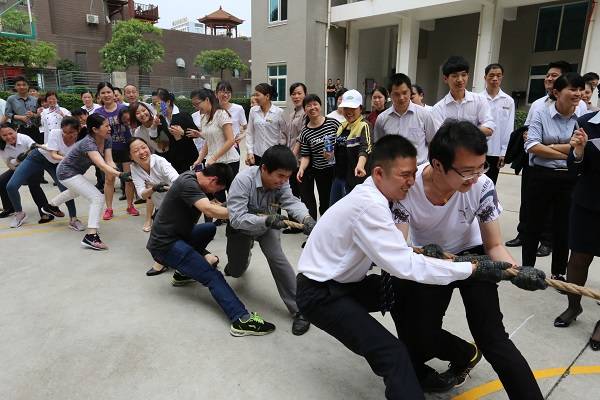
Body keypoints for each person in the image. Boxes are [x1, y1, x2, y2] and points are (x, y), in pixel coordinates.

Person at [296, 134, 507, 400]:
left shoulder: (377, 198)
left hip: (347, 284)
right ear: (379, 173)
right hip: (321, 294)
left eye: (413, 174)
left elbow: (399, 249)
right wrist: (472, 268)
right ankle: (412, 371)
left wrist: (426, 253)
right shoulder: (369, 205)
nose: (412, 182)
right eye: (404, 175)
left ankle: (458, 354)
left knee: (404, 293)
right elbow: (404, 265)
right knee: (391, 354)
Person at [390, 120, 543, 397]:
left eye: (481, 167)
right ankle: (465, 354)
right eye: (466, 171)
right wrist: (423, 253)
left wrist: (517, 271)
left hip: (475, 258)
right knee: (422, 335)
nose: (475, 177)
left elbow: (494, 244)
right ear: (437, 165)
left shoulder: (481, 186)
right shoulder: (407, 187)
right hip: (432, 260)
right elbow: (397, 249)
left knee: (493, 338)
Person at [146, 162, 277, 337]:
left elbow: (213, 207)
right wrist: (242, 213)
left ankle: (182, 273)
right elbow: (209, 210)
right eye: (217, 189)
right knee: (212, 276)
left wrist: (237, 206)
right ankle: (241, 319)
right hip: (165, 245)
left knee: (209, 229)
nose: (214, 193)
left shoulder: (192, 177)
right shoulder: (188, 184)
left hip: (178, 236)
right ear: (213, 179)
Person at [224, 145, 315, 335]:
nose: (283, 181)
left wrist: (305, 218)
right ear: (264, 168)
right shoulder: (242, 181)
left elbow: (290, 201)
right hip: (243, 227)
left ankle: (300, 309)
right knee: (236, 270)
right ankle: (241, 259)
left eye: (287, 177)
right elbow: (237, 218)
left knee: (277, 258)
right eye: (280, 176)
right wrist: (266, 219)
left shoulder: (282, 182)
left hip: (269, 225)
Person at [505, 61, 579, 253]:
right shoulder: (538, 105)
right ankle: (524, 234)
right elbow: (529, 138)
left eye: (554, 76)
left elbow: (577, 147)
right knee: (529, 205)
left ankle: (546, 241)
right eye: (547, 75)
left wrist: (550, 147)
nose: (548, 79)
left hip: (563, 172)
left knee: (555, 212)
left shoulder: (578, 110)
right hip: (535, 166)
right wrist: (563, 150)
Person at [523, 72, 585, 282]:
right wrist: (568, 150)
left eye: (579, 89)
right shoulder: (541, 113)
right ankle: (527, 270)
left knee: (563, 227)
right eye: (572, 89)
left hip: (570, 178)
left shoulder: (582, 118)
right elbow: (531, 145)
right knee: (534, 223)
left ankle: (558, 272)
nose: (577, 93)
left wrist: (549, 147)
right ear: (557, 92)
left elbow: (583, 149)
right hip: (541, 176)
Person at [46, 113, 129, 250]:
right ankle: (91, 236)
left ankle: (51, 206)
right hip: (65, 172)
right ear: (95, 129)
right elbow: (101, 164)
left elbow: (109, 161)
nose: (110, 128)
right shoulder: (88, 142)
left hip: (75, 172)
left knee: (75, 191)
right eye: (106, 126)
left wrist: (118, 172)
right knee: (96, 197)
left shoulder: (107, 139)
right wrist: (120, 174)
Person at [553, 111, 600, 350]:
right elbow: (574, 168)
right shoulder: (585, 123)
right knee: (578, 259)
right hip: (587, 203)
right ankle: (574, 305)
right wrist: (579, 152)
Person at [7, 117, 84, 231]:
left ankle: (73, 219)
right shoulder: (55, 132)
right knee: (11, 186)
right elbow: (53, 155)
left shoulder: (82, 142)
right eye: (65, 132)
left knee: (66, 189)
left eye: (72, 132)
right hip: (38, 157)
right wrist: (68, 159)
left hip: (57, 165)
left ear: (79, 129)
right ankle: (19, 213)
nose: (67, 135)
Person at [129, 137, 180, 275]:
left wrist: (161, 187)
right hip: (162, 208)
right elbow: (141, 194)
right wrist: (154, 189)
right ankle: (207, 257)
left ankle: (161, 263)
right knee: (160, 240)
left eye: (143, 147)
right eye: (136, 150)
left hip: (178, 205)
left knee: (159, 239)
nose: (142, 152)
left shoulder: (159, 161)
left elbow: (177, 181)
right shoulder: (134, 168)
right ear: (131, 156)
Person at [93, 81, 138, 219]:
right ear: (99, 96)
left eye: (109, 92)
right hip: (108, 151)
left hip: (126, 148)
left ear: (114, 93)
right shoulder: (98, 112)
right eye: (103, 93)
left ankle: (130, 206)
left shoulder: (124, 108)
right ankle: (109, 209)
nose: (106, 95)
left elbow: (134, 126)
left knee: (129, 179)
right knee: (109, 180)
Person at [191, 89, 240, 204]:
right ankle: (220, 217)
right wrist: (199, 159)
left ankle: (233, 219)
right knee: (216, 193)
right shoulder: (203, 118)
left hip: (228, 161)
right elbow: (208, 142)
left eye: (198, 104)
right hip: (213, 162)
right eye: (194, 105)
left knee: (233, 194)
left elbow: (230, 140)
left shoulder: (221, 114)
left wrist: (214, 158)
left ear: (207, 100)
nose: (196, 107)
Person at [373, 73, 434, 166]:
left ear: (410, 91)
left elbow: (432, 143)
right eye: (396, 94)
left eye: (405, 93)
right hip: (392, 171)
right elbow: (379, 147)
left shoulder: (424, 114)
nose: (401, 98)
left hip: (419, 171)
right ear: (389, 94)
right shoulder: (382, 119)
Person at [0, 123, 54, 226]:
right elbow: (9, 164)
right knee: (2, 181)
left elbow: (36, 150)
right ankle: (10, 208)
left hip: (35, 165)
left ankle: (45, 213)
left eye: (10, 133)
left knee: (33, 184)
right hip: (17, 168)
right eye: (4, 135)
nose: (8, 137)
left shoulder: (24, 138)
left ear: (16, 129)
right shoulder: (2, 146)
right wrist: (17, 162)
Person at [428, 56, 495, 138]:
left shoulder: (479, 100)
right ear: (445, 79)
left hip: (475, 150)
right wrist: (474, 131)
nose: (460, 79)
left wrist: (459, 132)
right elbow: (439, 136)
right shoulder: (438, 109)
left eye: (463, 75)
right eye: (455, 76)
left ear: (468, 76)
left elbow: (489, 129)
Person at [297, 94, 340, 220]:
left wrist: (333, 153)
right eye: (308, 105)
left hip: (336, 169)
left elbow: (343, 142)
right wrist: (302, 169)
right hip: (320, 171)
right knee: (325, 201)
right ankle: (325, 228)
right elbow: (306, 156)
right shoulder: (305, 131)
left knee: (337, 200)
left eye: (315, 104)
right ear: (305, 110)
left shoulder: (332, 123)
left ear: (320, 106)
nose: (312, 107)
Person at [328, 89, 372, 205]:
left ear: (361, 109)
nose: (349, 112)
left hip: (354, 180)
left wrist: (360, 165)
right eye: (346, 108)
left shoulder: (365, 125)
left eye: (353, 108)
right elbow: (339, 150)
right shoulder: (342, 126)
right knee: (334, 210)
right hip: (338, 177)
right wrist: (330, 154)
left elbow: (366, 147)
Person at [479, 63, 515, 184]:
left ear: (502, 77)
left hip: (496, 151)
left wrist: (504, 152)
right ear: (485, 78)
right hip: (479, 150)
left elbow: (508, 128)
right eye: (491, 75)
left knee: (490, 184)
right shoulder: (478, 99)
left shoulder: (508, 101)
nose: (495, 79)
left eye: (498, 76)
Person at [151, 88, 199, 174]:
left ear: (168, 102)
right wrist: (154, 126)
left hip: (188, 158)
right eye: (154, 105)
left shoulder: (183, 115)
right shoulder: (160, 119)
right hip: (171, 163)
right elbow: (158, 141)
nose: (156, 107)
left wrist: (182, 133)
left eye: (158, 103)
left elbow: (196, 134)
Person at [245, 83, 286, 166]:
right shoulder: (253, 111)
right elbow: (250, 133)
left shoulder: (279, 112)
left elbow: (284, 134)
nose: (255, 98)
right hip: (257, 155)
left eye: (257, 95)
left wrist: (279, 150)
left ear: (267, 96)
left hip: (273, 156)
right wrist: (250, 152)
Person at [282, 82, 307, 208]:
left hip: (301, 161)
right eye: (293, 94)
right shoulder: (291, 115)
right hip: (290, 161)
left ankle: (304, 225)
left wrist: (292, 155)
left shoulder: (306, 114)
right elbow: (286, 137)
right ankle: (295, 227)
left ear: (305, 95)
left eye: (299, 93)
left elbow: (301, 137)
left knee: (304, 194)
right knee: (292, 194)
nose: (296, 96)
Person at [4, 76, 43, 144]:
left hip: (34, 128)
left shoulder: (35, 99)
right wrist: (20, 117)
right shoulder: (11, 99)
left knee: (36, 147)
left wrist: (33, 114)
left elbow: (39, 114)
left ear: (28, 86)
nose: (21, 87)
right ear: (15, 87)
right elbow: (7, 113)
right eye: (18, 85)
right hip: (19, 129)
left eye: (24, 85)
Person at [215, 81, 247, 152]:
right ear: (216, 94)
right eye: (223, 92)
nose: (226, 95)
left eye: (228, 92)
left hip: (233, 147)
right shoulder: (212, 110)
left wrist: (241, 136)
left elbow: (246, 128)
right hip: (216, 147)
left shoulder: (238, 109)